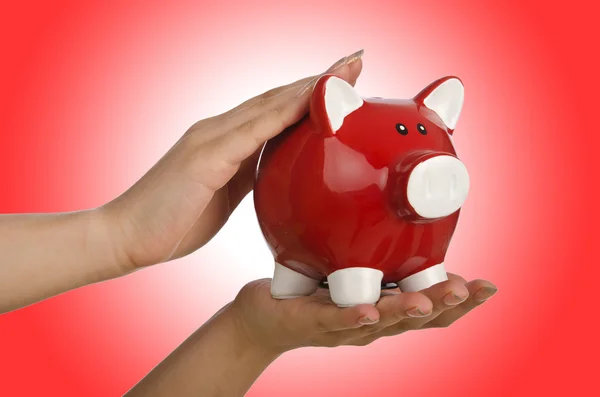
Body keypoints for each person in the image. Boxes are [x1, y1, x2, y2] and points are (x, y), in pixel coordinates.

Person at [0, 50, 497, 396]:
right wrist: (116, 238)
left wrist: (119, 235)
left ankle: (416, 264)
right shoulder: (329, 142)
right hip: (317, 249)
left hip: (405, 251)